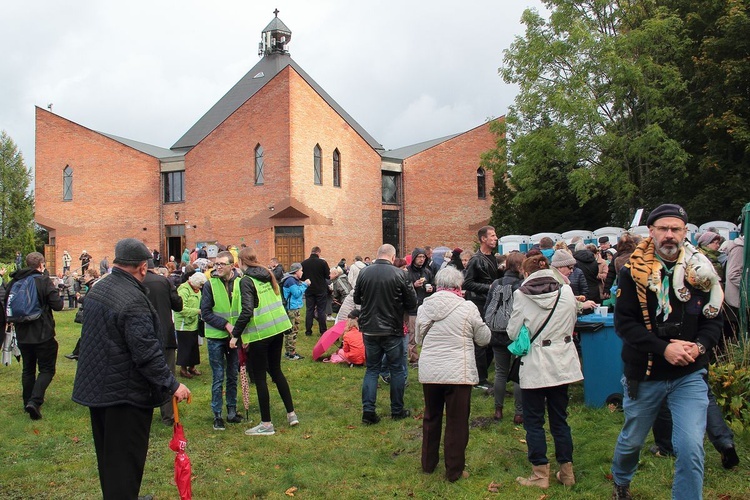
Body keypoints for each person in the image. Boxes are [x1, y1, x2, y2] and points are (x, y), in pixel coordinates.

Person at [611, 204, 724, 500]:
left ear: (685, 232)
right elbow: (624, 325)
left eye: (676, 229)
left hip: (688, 372)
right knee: (632, 441)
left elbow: (714, 320)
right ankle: (621, 480)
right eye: (663, 229)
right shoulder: (632, 273)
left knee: (690, 447)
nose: (670, 235)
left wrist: (698, 347)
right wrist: (664, 349)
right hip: (645, 373)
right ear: (651, 232)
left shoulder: (700, 271)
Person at [71, 238, 190, 500]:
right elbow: (146, 352)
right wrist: (173, 384)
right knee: (125, 461)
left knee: (110, 458)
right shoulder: (132, 300)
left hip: (100, 388)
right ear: (142, 268)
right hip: (125, 394)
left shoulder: (100, 289)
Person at [508, 254, 583, 489]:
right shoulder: (567, 292)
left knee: (534, 422)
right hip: (562, 361)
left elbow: (513, 331)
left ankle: (540, 475)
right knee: (560, 420)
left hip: (535, 363)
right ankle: (566, 473)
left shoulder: (521, 295)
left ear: (527, 274)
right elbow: (572, 321)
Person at [416, 267, 491, 482]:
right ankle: (454, 470)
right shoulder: (468, 308)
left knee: (431, 416)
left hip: (431, 370)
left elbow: (420, 339)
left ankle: (428, 464)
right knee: (457, 422)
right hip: (459, 372)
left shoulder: (425, 307)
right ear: (458, 286)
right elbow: (484, 338)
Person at [229, 247, 298, 436]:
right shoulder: (268, 274)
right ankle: (291, 413)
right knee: (276, 371)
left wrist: (235, 335)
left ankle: (266, 424)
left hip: (260, 334)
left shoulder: (246, 280)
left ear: (241, 262)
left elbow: (246, 310)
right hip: (277, 330)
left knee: (260, 378)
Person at [354, 244, 417, 424]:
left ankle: (368, 411)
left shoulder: (364, 273)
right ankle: (396, 410)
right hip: (392, 328)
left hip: (370, 328)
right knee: (396, 369)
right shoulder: (400, 274)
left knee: (372, 369)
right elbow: (412, 302)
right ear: (392, 257)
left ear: (378, 255)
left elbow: (357, 298)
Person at [5, 252, 64, 419]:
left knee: (28, 369)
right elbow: (58, 305)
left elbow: (7, 303)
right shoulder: (43, 280)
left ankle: (27, 401)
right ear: (41, 264)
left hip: (22, 333)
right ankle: (35, 401)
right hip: (42, 332)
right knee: (46, 369)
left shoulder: (15, 281)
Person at [200, 250, 243, 430]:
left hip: (235, 336)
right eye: (216, 264)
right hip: (216, 336)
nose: (217, 267)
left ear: (231, 266)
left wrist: (241, 333)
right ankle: (217, 414)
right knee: (218, 376)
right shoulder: (210, 284)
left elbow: (246, 309)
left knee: (233, 374)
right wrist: (225, 324)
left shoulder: (241, 283)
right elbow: (206, 312)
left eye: (221, 264)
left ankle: (231, 410)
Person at [143, 259, 184, 426]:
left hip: (144, 335)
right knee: (168, 374)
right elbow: (178, 305)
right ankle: (168, 416)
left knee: (143, 374)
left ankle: (143, 412)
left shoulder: (135, 282)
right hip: (165, 333)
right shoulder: (164, 282)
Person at [489, 251, 525, 424]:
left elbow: (489, 307)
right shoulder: (523, 285)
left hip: (497, 332)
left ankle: (498, 410)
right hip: (517, 333)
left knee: (500, 373)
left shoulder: (496, 283)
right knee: (519, 373)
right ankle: (519, 413)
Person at [462, 226, 499, 390]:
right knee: (481, 341)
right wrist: (488, 287)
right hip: (480, 303)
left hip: (492, 303)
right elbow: (467, 283)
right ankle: (479, 379)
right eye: (492, 235)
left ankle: (482, 373)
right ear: (483, 239)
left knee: (493, 340)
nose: (495, 238)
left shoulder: (493, 258)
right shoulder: (476, 259)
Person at [175, 271, 207, 379]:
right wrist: (198, 311)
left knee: (194, 347)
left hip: (193, 323)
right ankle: (183, 369)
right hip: (184, 324)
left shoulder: (196, 289)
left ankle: (192, 367)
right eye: (200, 285)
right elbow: (181, 308)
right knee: (185, 347)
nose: (201, 287)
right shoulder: (183, 290)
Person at [405, 248, 434, 365]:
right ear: (414, 258)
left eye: (423, 257)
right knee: (412, 333)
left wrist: (432, 288)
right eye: (419, 257)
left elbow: (434, 284)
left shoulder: (427, 272)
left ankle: (428, 357)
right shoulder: (407, 271)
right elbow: (403, 288)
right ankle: (414, 359)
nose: (421, 259)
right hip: (412, 307)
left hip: (426, 305)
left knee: (428, 332)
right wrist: (413, 285)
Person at [281, 263, 309, 360]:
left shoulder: (292, 280)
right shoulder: (291, 281)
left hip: (293, 307)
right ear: (296, 271)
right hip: (291, 309)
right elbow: (296, 293)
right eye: (301, 270)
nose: (302, 272)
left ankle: (289, 352)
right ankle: (291, 353)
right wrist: (305, 284)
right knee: (292, 331)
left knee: (292, 331)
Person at [301, 246, 330, 336]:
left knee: (309, 310)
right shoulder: (323, 263)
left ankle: (308, 330)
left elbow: (302, 277)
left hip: (309, 289)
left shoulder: (304, 263)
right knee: (321, 310)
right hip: (321, 289)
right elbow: (327, 275)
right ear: (318, 253)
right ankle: (323, 330)